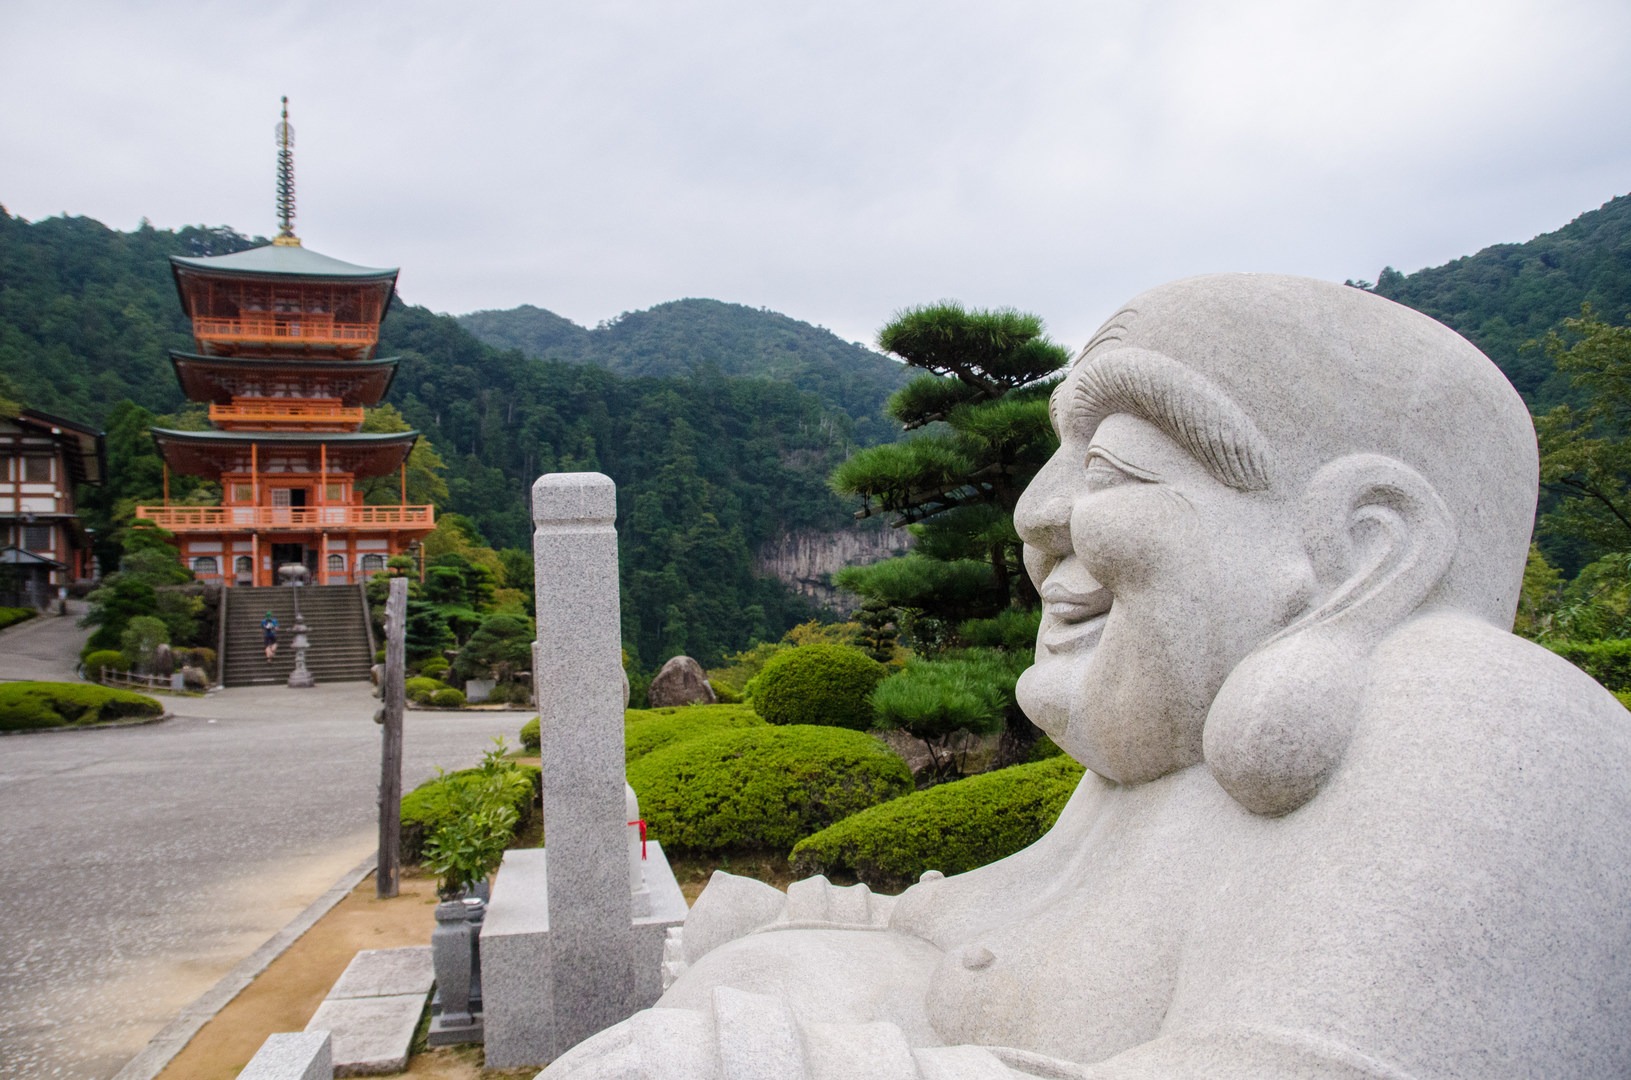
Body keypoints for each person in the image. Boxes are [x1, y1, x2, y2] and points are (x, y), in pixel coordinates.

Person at [547, 275, 1631, 1079]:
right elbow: (998, 928)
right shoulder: (1155, 767)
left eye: (1114, 465)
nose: (1035, 513)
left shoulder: (1483, 728)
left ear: (1363, 547)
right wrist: (826, 932)